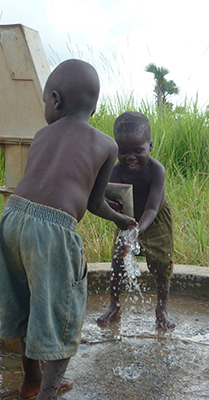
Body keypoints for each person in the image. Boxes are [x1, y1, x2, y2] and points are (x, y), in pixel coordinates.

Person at [0, 59, 136, 400]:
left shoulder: (42, 134)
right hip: (54, 233)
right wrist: (122, 219)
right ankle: (48, 392)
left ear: (56, 100)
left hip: (12, 218)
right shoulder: (106, 145)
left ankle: (31, 381)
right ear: (95, 104)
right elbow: (92, 203)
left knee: (23, 301)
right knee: (62, 311)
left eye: (45, 100)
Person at [97, 111, 176, 331]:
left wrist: (136, 232)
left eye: (138, 150)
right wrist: (122, 221)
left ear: (150, 146)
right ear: (115, 149)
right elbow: (107, 200)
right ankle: (115, 305)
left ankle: (161, 311)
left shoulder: (156, 171)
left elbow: (152, 207)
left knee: (161, 264)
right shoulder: (114, 172)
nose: (130, 157)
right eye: (123, 151)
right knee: (118, 263)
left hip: (156, 219)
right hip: (127, 219)